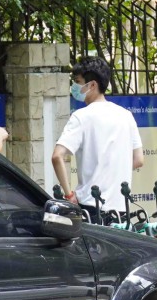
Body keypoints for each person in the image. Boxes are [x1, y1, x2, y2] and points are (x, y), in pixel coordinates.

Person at [51, 56, 143, 225]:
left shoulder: (81, 117)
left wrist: (69, 195)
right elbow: (138, 160)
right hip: (121, 209)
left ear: (92, 85)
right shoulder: (126, 115)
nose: (74, 87)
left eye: (78, 81)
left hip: (90, 208)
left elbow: (57, 156)